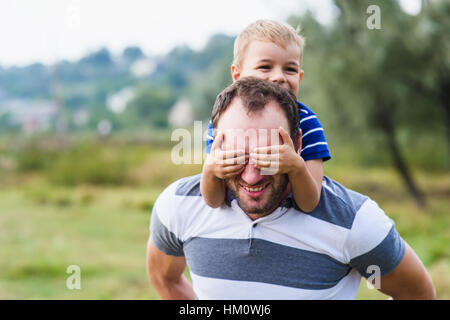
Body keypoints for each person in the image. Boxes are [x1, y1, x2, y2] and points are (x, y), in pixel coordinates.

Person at [146, 78, 435, 300]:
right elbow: (165, 278)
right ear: (216, 146)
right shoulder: (178, 206)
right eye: (237, 155)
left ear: (297, 145)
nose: (252, 175)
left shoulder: (357, 222)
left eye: (267, 155)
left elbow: (418, 293)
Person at [201, 19, 329, 213]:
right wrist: (211, 171)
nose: (279, 76)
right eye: (265, 67)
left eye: (290, 69)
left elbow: (309, 203)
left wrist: (296, 167)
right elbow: (214, 201)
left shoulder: (308, 123)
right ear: (237, 75)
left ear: (300, 77)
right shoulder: (225, 119)